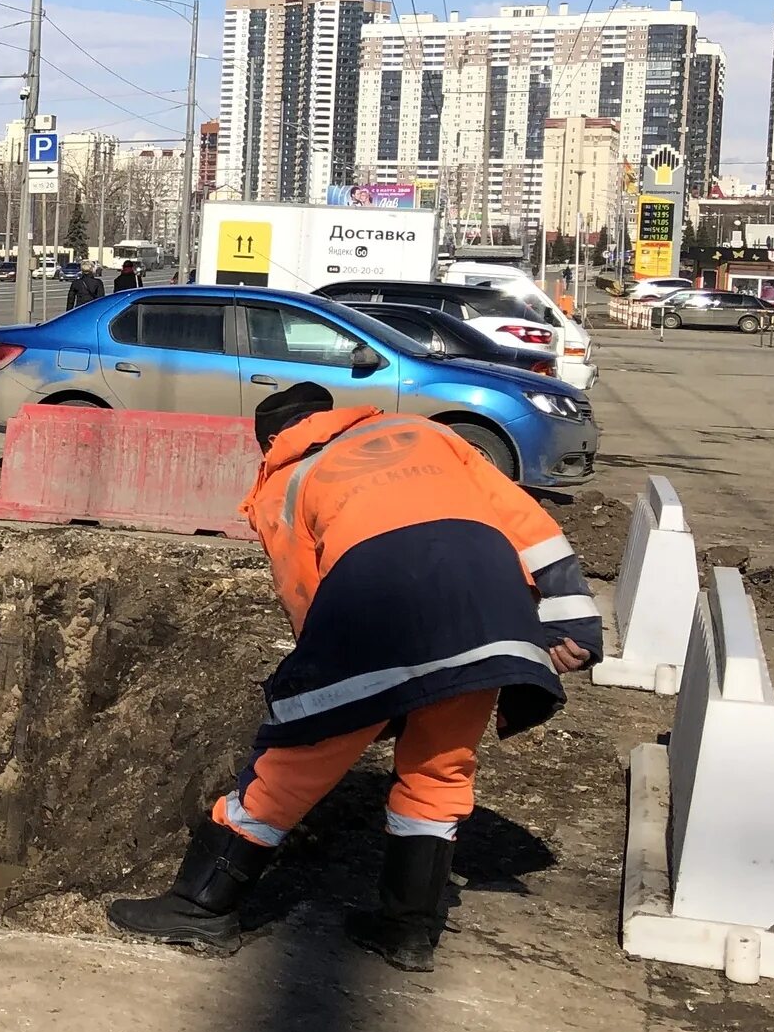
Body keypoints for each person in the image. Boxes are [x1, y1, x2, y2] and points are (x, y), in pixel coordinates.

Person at [108, 381, 601, 971]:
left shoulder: (286, 482)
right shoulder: (428, 434)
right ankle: (407, 930)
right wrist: (575, 619)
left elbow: (307, 597)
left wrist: (326, 687)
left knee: (293, 756)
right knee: (440, 768)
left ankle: (202, 904)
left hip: (377, 606)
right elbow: (533, 527)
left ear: (271, 442)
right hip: (489, 611)